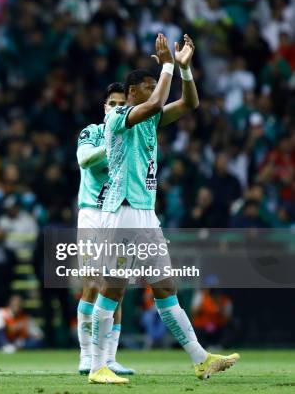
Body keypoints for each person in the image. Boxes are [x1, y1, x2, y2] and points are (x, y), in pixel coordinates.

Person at [88, 33, 239, 384]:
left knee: (165, 287)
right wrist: (168, 63)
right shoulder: (118, 118)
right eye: (149, 84)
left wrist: (184, 70)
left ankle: (201, 359)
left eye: (157, 82)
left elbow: (189, 105)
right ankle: (97, 366)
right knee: (112, 288)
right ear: (132, 93)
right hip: (122, 211)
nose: (156, 88)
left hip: (143, 213)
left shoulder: (150, 119)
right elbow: (156, 104)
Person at [75, 82, 134, 376]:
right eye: (112, 103)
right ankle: (87, 356)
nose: (116, 108)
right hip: (91, 215)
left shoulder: (134, 134)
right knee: (93, 283)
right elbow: (84, 160)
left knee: (116, 288)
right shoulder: (92, 132)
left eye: (122, 105)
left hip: (119, 213)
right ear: (104, 107)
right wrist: (111, 143)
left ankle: (109, 358)